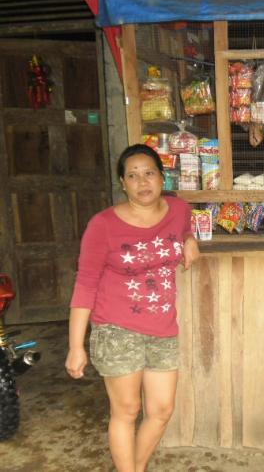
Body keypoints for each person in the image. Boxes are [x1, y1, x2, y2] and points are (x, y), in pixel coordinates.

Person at [65, 144, 200, 472]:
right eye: (132, 176)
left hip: (163, 329)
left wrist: (189, 239)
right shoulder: (102, 225)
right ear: (122, 184)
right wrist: (75, 346)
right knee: (126, 411)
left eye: (149, 173)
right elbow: (85, 284)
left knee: (161, 410)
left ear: (162, 177)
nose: (142, 182)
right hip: (116, 329)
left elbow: (183, 228)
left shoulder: (179, 209)